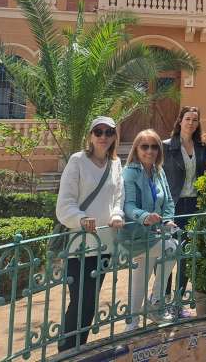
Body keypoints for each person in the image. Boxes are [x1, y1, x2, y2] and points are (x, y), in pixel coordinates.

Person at [55, 116, 124, 352]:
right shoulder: (77, 161)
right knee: (79, 303)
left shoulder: (115, 163)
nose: (103, 137)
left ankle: (77, 350)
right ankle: (67, 352)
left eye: (108, 132)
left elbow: (118, 199)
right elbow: (64, 205)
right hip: (80, 246)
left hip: (104, 245)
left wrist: (116, 215)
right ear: (90, 136)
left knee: (90, 303)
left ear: (115, 136)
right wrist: (81, 219)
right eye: (98, 132)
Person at [121, 129, 178, 331]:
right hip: (137, 234)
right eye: (144, 146)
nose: (150, 151)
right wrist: (145, 217)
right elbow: (128, 206)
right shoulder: (130, 173)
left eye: (154, 146)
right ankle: (155, 303)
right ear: (136, 149)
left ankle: (134, 320)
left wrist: (168, 219)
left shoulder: (158, 171)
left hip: (156, 234)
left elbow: (169, 201)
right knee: (171, 248)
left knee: (142, 275)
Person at [162, 106, 206, 318]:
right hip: (173, 205)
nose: (191, 123)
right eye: (187, 118)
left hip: (194, 205)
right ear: (180, 121)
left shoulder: (200, 147)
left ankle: (178, 303)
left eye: (195, 120)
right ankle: (163, 301)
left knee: (186, 255)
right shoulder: (166, 147)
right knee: (169, 253)